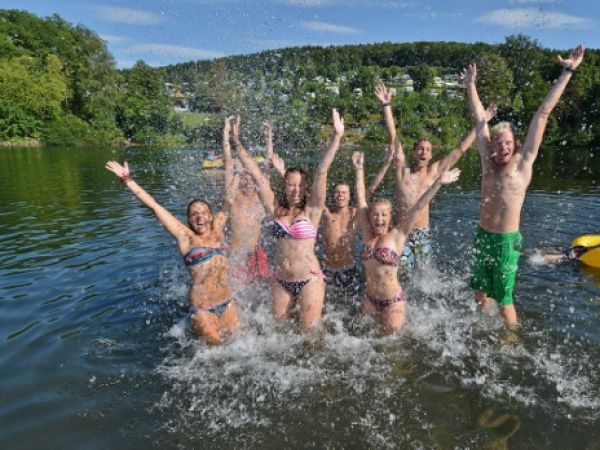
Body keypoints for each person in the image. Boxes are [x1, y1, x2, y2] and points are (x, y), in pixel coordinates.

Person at [462, 44, 585, 327]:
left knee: (504, 300)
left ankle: (510, 340)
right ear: (491, 147)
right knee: (479, 293)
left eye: (507, 141)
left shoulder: (523, 163)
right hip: (483, 237)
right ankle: (483, 328)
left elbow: (542, 113)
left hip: (506, 241)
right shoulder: (487, 164)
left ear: (515, 144)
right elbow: (480, 121)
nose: (502, 146)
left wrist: (567, 70)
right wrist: (471, 86)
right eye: (497, 142)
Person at [105, 156, 240, 345]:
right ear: (188, 220)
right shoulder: (185, 236)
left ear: (210, 216)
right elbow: (154, 206)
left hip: (227, 302)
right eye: (194, 214)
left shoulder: (218, 229)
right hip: (203, 308)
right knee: (216, 350)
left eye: (203, 213)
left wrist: (239, 172)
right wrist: (128, 180)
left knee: (238, 346)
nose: (200, 217)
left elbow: (229, 200)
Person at [374, 83, 497, 280]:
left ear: (431, 156)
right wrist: (387, 105)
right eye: (420, 149)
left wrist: (481, 124)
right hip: (400, 232)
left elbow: (459, 150)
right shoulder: (402, 171)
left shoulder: (433, 173)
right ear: (413, 152)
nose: (423, 152)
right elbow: (393, 136)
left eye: (428, 150)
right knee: (402, 275)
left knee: (424, 280)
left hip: (422, 234)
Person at [234, 110, 343, 329]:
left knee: (310, 334)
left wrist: (337, 137)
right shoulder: (275, 208)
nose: (296, 189)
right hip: (281, 281)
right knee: (278, 334)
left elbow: (322, 172)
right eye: (291, 184)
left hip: (309, 279)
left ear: (306, 188)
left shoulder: (312, 210)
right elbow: (256, 175)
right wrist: (236, 142)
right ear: (285, 185)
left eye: (301, 185)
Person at [352, 149, 460, 333]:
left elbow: (418, 206)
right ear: (369, 217)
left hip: (393, 302)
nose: (379, 219)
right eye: (376, 215)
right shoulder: (367, 235)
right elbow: (361, 199)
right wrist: (359, 170)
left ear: (389, 216)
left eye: (384, 215)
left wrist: (438, 183)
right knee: (364, 342)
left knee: (392, 348)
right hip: (370, 300)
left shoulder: (398, 234)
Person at [321, 139, 395, 290]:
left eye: (344, 192)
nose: (340, 195)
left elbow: (371, 188)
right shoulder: (326, 214)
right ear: (333, 195)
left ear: (349, 196)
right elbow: (314, 192)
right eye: (337, 192)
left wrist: (386, 163)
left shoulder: (355, 214)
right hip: (328, 270)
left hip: (349, 270)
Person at [222, 116, 269, 285]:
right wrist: (226, 132)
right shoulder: (233, 198)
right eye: (244, 178)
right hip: (237, 254)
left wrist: (268, 138)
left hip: (257, 254)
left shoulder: (260, 198)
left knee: (262, 291)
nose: (248, 182)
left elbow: (267, 166)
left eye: (251, 179)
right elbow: (228, 163)